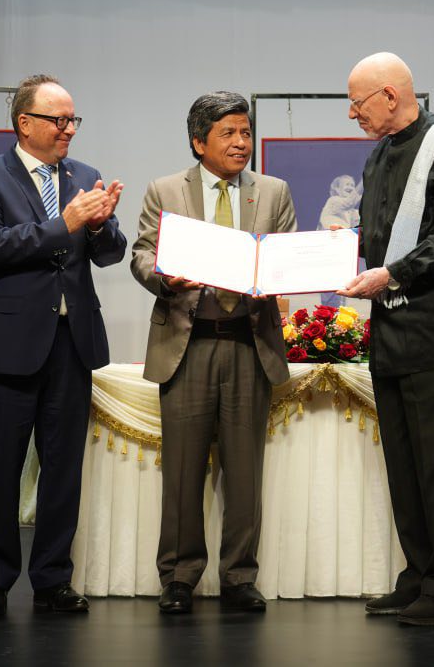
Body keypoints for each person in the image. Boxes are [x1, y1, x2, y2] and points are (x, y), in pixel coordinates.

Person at [0, 73, 126, 618]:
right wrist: (66, 222)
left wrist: (98, 227)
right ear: (24, 122)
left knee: (62, 470)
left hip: (70, 345)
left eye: (73, 119)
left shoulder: (85, 176)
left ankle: (53, 578)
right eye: (58, 119)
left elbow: (110, 253)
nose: (68, 129)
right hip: (7, 346)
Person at [338, 52, 434, 626]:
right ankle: (419, 573)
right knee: (404, 467)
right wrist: (345, 246)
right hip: (393, 333)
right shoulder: (378, 155)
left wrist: (391, 274)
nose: (352, 114)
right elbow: (381, 237)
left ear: (389, 95)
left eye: (357, 103)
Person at [131, 91, 297, 615]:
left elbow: (287, 254)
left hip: (249, 342)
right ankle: (179, 577)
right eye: (228, 133)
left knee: (245, 473)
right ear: (198, 141)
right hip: (189, 342)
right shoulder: (164, 190)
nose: (241, 142)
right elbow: (141, 254)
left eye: (246, 132)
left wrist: (286, 270)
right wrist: (164, 277)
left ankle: (240, 577)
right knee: (183, 471)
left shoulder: (273, 191)